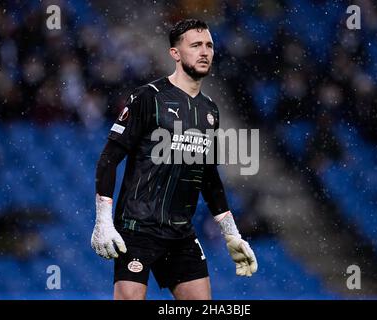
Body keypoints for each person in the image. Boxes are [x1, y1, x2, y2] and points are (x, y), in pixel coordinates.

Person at [91, 18, 257, 300]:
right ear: (175, 53)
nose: (204, 52)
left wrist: (231, 233)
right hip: (137, 228)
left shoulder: (210, 110)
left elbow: (208, 175)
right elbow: (108, 159)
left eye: (209, 45)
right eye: (195, 45)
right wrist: (103, 221)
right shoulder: (147, 98)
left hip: (180, 233)